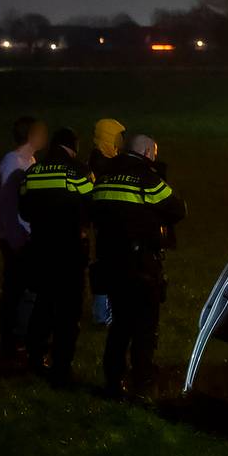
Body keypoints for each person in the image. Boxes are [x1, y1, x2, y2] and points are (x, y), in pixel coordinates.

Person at [91, 134, 186, 399]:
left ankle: (112, 380)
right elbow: (177, 210)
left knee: (120, 324)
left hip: (111, 263)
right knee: (145, 325)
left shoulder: (105, 178)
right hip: (141, 266)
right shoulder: (147, 179)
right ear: (146, 152)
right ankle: (142, 381)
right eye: (154, 153)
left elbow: (94, 212)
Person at [19, 127, 94, 385]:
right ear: (72, 146)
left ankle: (35, 357)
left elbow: (25, 210)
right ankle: (61, 365)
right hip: (69, 251)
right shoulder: (77, 171)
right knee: (68, 311)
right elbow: (91, 205)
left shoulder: (33, 171)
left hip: (40, 249)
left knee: (43, 304)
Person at [0, 116, 47, 359]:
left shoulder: (30, 161)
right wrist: (17, 240)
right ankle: (11, 343)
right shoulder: (13, 163)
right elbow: (7, 207)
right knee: (15, 291)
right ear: (30, 136)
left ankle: (22, 338)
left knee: (27, 290)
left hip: (27, 237)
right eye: (40, 132)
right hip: (16, 240)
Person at [87, 118, 125, 327]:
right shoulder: (100, 165)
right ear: (107, 139)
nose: (121, 143)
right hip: (104, 225)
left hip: (106, 223)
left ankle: (104, 311)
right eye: (117, 138)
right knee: (105, 267)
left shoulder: (105, 161)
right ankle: (102, 314)